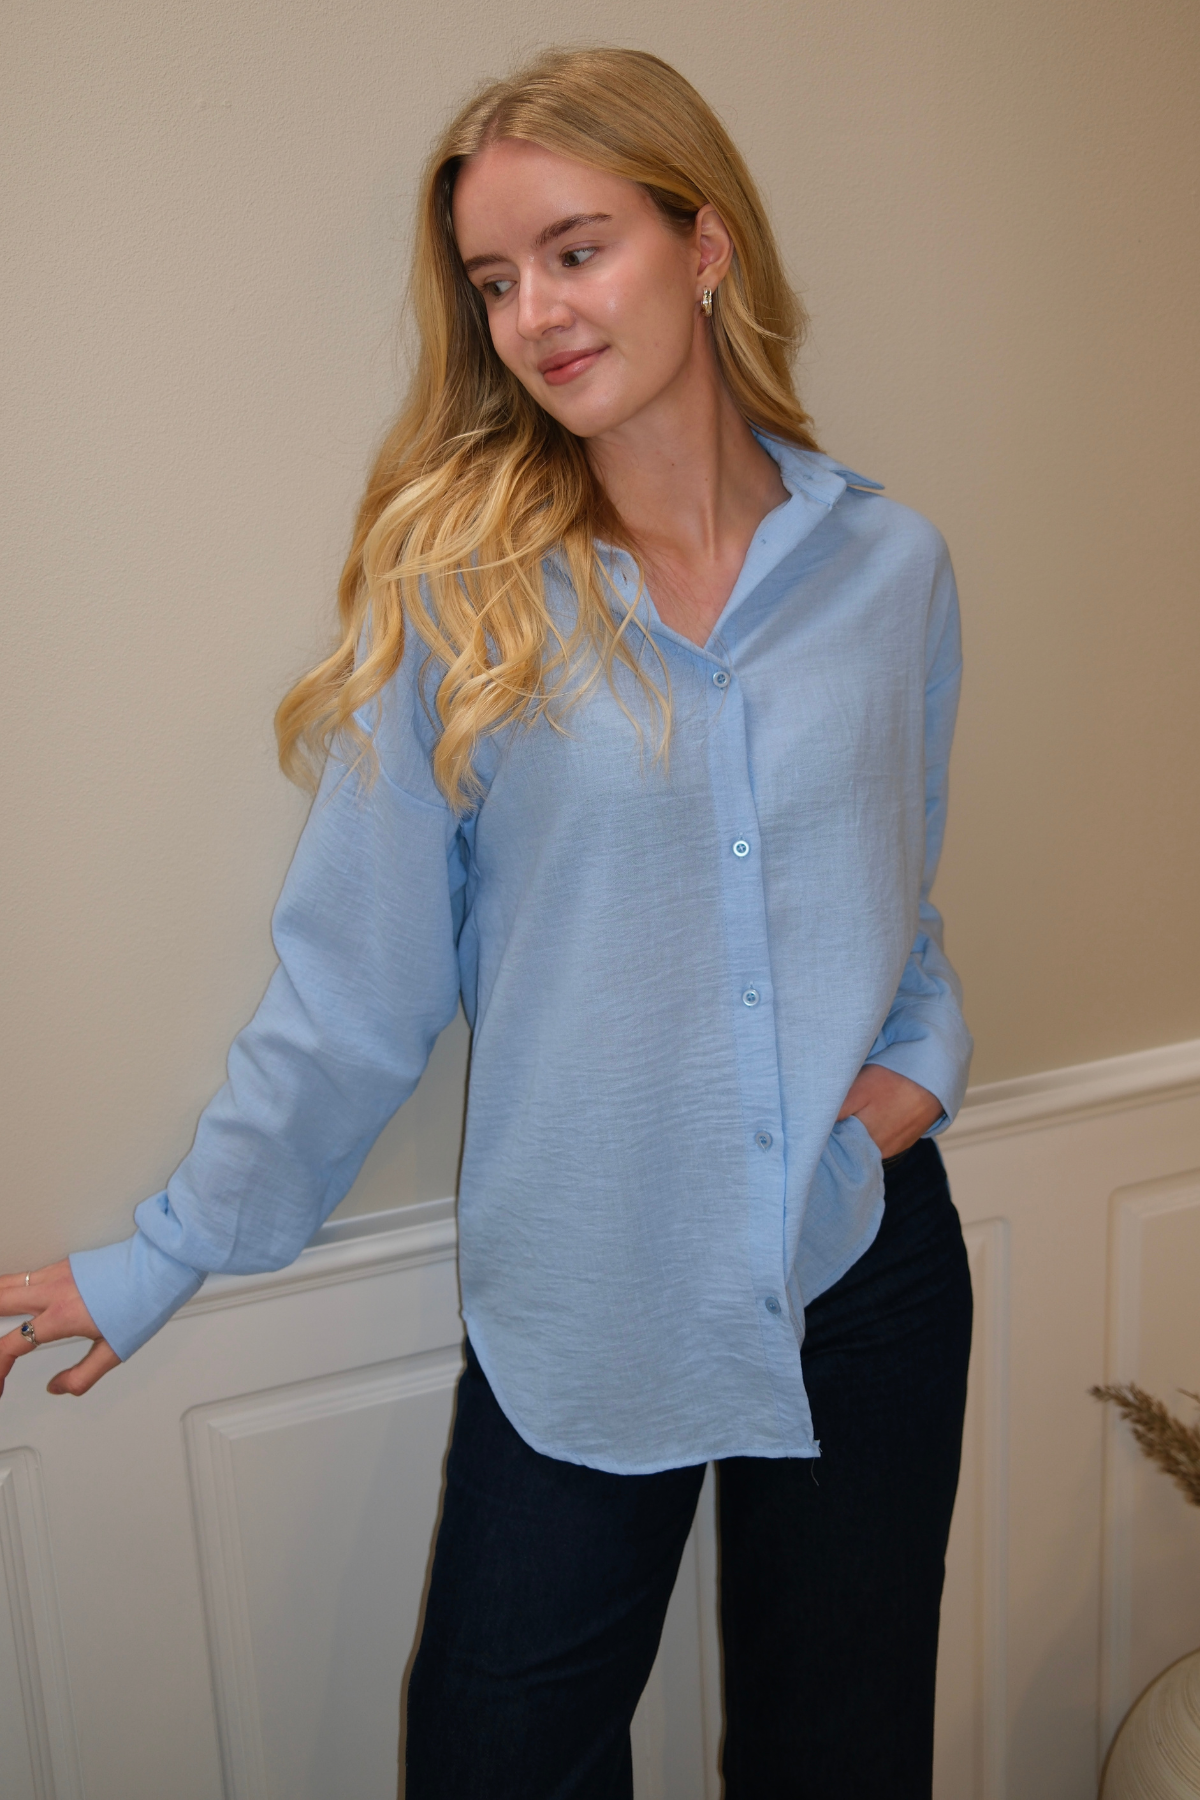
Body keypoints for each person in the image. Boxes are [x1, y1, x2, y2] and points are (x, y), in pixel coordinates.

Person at [0, 45, 974, 1800]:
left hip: (863, 1260)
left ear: (705, 246)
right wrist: (165, 1251)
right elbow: (354, 989)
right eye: (495, 279)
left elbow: (891, 890)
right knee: (494, 1759)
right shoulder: (466, 595)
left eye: (576, 251)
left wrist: (921, 1063)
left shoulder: (890, 568)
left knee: (844, 1757)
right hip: (589, 1286)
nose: (534, 314)